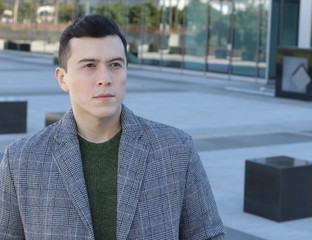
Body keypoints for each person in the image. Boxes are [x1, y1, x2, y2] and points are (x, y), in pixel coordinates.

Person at [0, 15, 225, 239]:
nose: (105, 78)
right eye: (89, 65)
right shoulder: (21, 160)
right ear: (62, 79)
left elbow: (208, 235)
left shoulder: (176, 149)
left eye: (115, 65)